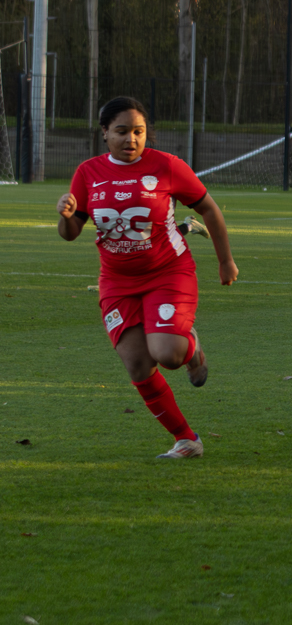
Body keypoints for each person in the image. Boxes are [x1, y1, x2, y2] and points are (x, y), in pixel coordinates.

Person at [56, 96, 238, 458]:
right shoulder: (87, 173)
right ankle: (187, 440)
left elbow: (209, 209)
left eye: (138, 132)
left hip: (168, 273)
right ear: (104, 132)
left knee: (167, 354)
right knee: (138, 365)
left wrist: (225, 261)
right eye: (121, 132)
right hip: (117, 283)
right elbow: (71, 232)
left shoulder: (167, 166)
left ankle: (191, 351)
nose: (131, 140)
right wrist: (66, 214)